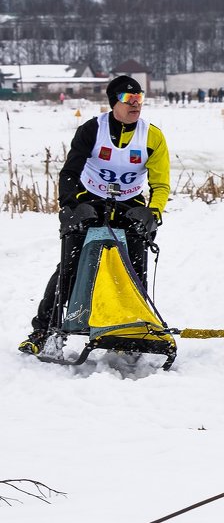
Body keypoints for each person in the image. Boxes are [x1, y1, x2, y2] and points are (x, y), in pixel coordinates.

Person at [18, 75, 171, 355]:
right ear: (114, 102)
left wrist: (153, 214)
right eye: (129, 99)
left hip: (130, 205)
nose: (136, 104)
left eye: (140, 98)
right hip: (90, 200)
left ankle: (132, 329)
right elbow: (69, 173)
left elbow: (160, 185)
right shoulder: (91, 130)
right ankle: (43, 330)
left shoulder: (153, 136)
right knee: (70, 266)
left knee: (134, 270)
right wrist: (70, 207)